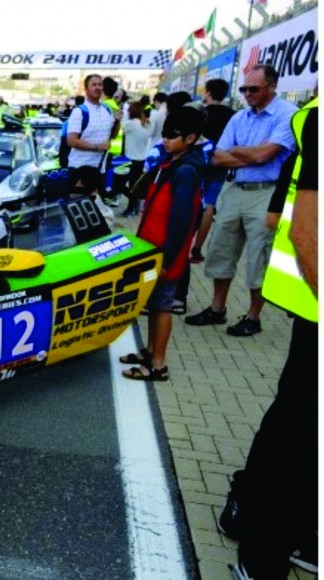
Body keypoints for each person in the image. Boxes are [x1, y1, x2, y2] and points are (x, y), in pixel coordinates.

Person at [224, 96, 317, 580]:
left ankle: (302, 532)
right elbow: (307, 232)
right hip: (315, 307)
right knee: (297, 428)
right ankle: (260, 552)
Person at [185, 65, 298, 337]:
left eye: (253, 89)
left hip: (267, 192)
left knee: (259, 256)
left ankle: (253, 316)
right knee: (221, 249)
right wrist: (251, 155)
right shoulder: (239, 117)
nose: (247, 94)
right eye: (244, 89)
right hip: (234, 188)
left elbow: (265, 155)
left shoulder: (287, 114)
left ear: (272, 86)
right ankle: (217, 308)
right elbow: (218, 157)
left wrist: (239, 152)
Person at [119, 107, 207, 382]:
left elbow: (182, 219)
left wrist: (167, 257)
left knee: (162, 305)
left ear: (190, 138)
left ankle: (158, 364)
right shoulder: (173, 162)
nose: (166, 139)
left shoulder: (186, 171)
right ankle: (149, 351)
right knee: (154, 303)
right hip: (155, 247)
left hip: (167, 252)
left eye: (172, 135)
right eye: (165, 133)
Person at [191, 78, 236, 263]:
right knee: (209, 204)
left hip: (199, 161)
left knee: (192, 200)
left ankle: (184, 243)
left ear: (208, 92)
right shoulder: (233, 115)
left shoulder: (200, 112)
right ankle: (197, 249)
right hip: (221, 161)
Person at [65, 74, 117, 198]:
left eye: (100, 84)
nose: (98, 87)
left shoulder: (107, 110)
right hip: (80, 170)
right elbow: (71, 141)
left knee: (96, 207)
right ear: (86, 89)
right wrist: (97, 147)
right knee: (79, 208)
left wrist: (118, 122)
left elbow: (112, 135)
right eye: (94, 85)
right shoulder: (79, 112)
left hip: (100, 169)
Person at [120, 100, 152, 217]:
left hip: (130, 159)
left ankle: (133, 205)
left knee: (119, 184)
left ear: (131, 111)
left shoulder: (131, 124)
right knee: (133, 185)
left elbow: (119, 126)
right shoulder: (146, 124)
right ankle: (132, 206)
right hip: (141, 159)